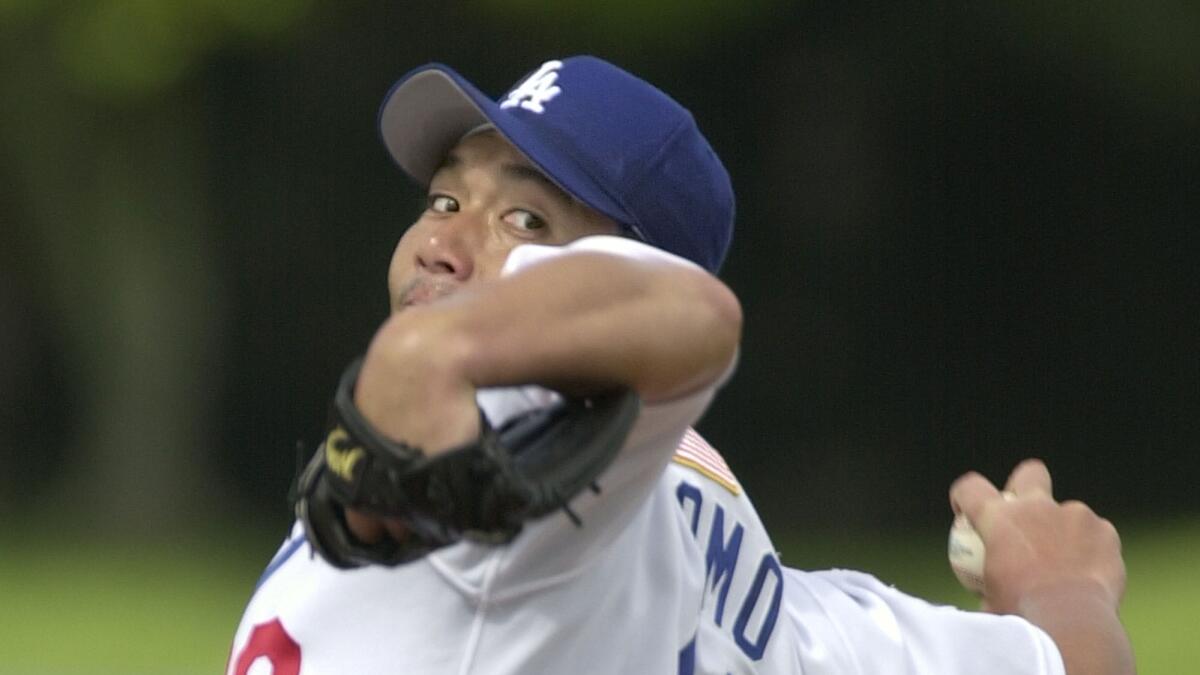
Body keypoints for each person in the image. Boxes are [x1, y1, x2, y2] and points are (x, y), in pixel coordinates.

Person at [227, 56, 1134, 674]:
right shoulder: (747, 585)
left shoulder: (526, 452)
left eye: (528, 223)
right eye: (445, 196)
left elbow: (689, 313)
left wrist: (440, 350)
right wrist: (1064, 589)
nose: (442, 243)